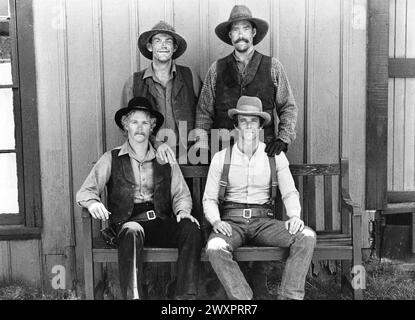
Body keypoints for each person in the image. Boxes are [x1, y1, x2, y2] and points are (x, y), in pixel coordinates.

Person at [76, 97, 202, 300]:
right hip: (129, 225)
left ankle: (183, 297)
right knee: (132, 230)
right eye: (134, 122)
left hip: (160, 222)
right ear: (126, 125)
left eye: (145, 122)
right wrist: (92, 203)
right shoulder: (111, 158)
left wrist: (183, 212)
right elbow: (85, 191)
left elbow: (181, 194)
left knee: (191, 229)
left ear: (152, 126)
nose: (139, 128)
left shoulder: (165, 158)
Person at [203, 96, 316, 300]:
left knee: (306, 236)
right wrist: (216, 221)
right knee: (214, 247)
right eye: (243, 120)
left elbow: (289, 191)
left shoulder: (274, 156)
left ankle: (289, 296)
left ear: (260, 125)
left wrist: (294, 216)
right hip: (232, 222)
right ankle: (244, 300)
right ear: (236, 125)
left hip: (263, 222)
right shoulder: (221, 158)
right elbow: (209, 199)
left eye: (253, 121)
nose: (248, 125)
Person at [195, 5, 297, 158]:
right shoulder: (216, 69)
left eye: (246, 28)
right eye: (236, 29)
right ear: (230, 35)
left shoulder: (273, 66)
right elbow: (204, 112)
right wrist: (202, 146)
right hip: (224, 152)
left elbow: (288, 107)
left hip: (263, 151)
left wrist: (283, 139)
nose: (240, 34)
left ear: (253, 32)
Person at [121, 21, 202, 164]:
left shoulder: (191, 76)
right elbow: (125, 124)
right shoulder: (134, 82)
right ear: (150, 46)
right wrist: (155, 144)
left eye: (168, 41)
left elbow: (204, 114)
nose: (163, 45)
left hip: (187, 157)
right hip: (148, 156)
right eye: (158, 41)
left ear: (174, 47)